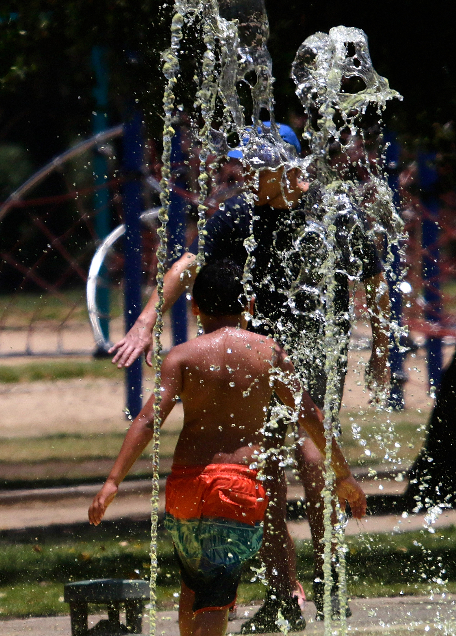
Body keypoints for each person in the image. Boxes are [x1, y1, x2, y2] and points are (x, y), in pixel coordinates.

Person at [109, 122, 389, 631]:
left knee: (311, 453)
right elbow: (191, 263)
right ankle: (285, 594)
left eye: (257, 168)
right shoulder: (240, 214)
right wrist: (147, 320)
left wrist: (383, 350)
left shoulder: (335, 213)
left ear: (289, 165)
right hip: (258, 356)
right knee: (266, 473)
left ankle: (328, 581)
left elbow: (374, 281)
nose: (247, 177)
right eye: (246, 167)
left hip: (316, 348)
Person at [90, 259, 367, 636]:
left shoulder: (182, 357)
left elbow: (146, 420)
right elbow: (311, 417)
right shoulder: (268, 353)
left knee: (194, 585)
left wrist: (112, 483)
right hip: (233, 491)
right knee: (216, 597)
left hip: (186, 488)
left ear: (195, 308)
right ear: (249, 306)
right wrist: (344, 475)